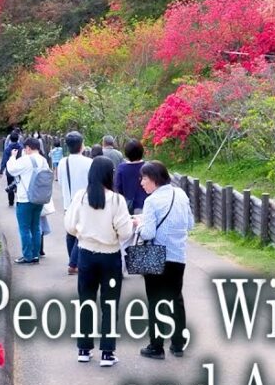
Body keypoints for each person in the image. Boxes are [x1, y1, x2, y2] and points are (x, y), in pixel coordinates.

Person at [64, 156, 134, 367]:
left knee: (86, 301)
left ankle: (84, 349)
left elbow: (70, 226)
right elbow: (125, 232)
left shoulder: (80, 197)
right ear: (108, 175)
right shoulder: (116, 200)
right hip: (110, 258)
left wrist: (84, 232)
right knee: (109, 304)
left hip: (86, 255)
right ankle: (107, 352)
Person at [136, 161, 195, 359]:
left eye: (144, 178)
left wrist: (139, 225)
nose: (141, 182)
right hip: (178, 255)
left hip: (156, 255)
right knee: (176, 298)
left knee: (155, 300)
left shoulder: (151, 201)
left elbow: (148, 233)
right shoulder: (181, 194)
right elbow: (190, 224)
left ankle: (156, 346)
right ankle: (178, 343)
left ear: (154, 179)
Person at [5, 138, 47, 265]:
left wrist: (12, 157)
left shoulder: (25, 160)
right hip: (39, 198)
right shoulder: (43, 160)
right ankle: (35, 255)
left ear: (28, 148)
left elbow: (11, 170)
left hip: (25, 199)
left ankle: (27, 256)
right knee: (36, 227)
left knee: (24, 228)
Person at [55, 131, 92, 276]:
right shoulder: (89, 162)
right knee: (81, 234)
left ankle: (72, 260)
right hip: (84, 203)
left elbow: (60, 181)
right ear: (82, 145)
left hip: (68, 203)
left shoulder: (63, 162)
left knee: (70, 232)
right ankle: (73, 263)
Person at [114, 139, 147, 215]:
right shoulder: (147, 166)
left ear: (127, 153)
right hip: (145, 204)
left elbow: (118, 187)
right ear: (141, 151)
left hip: (127, 206)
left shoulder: (122, 168)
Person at [0, 131, 23, 206]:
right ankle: (19, 201)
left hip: (10, 171)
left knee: (10, 185)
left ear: (10, 139)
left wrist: (1, 171)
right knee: (19, 185)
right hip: (19, 170)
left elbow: (4, 160)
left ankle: (11, 202)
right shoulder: (21, 148)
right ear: (18, 139)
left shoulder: (7, 149)